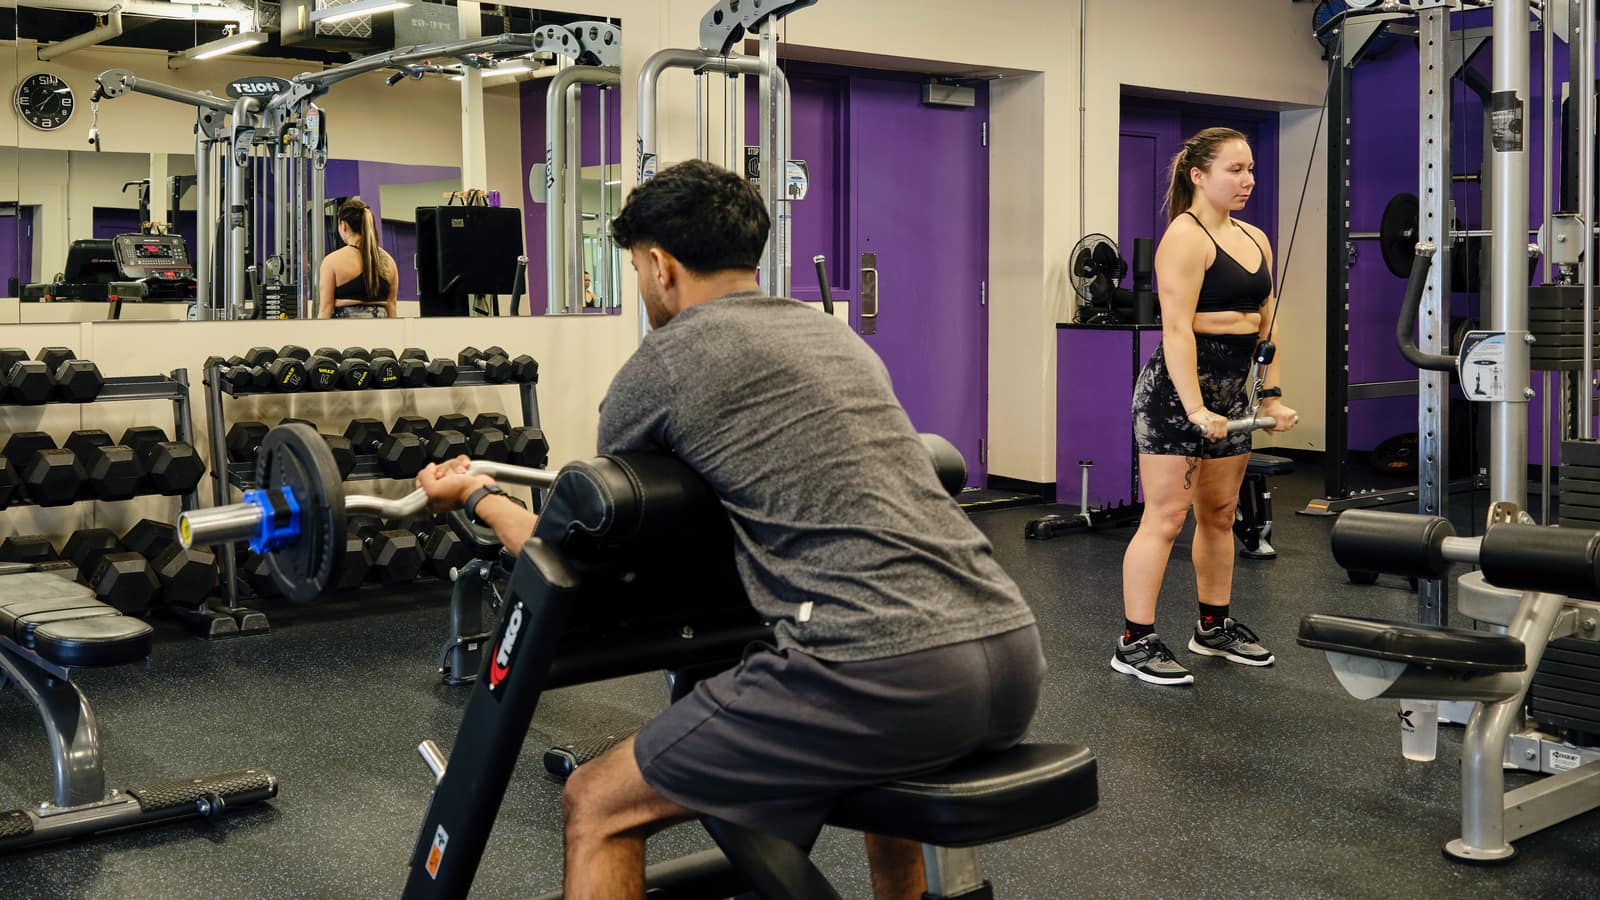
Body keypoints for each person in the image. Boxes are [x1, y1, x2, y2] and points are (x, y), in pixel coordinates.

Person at [416, 159, 1044, 900]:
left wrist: (480, 494)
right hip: (1010, 653)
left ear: (659, 266)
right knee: (883, 758)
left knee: (598, 803)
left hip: (876, 677)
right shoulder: (837, 341)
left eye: (637, 269)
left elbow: (582, 552)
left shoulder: (666, 365)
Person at [1113, 127, 1299, 687]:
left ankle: (1212, 627)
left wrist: (1270, 395)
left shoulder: (1256, 239)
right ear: (1199, 175)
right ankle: (1134, 641)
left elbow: (1267, 327)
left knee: (1219, 516)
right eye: (1234, 170)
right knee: (1166, 517)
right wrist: (1194, 408)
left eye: (1250, 170)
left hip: (1229, 394)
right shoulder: (1185, 238)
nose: (1247, 180)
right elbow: (1176, 331)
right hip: (1175, 395)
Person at [317, 197, 398, 319]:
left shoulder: (332, 262)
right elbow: (392, 308)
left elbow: (325, 309)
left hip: (346, 334)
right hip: (382, 334)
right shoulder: (390, 262)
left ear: (343, 226)